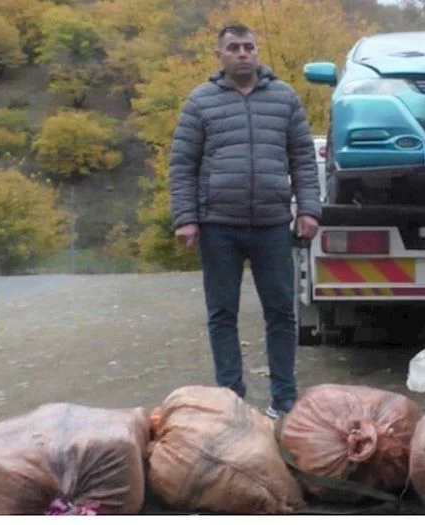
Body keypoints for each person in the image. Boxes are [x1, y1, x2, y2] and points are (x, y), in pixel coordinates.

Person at [169, 23, 321, 419]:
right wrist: (186, 218)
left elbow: (303, 158)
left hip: (272, 224)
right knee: (222, 313)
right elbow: (182, 164)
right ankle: (230, 400)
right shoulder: (200, 102)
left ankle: (284, 401)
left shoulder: (285, 99)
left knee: (282, 313)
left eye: (248, 47)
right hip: (218, 225)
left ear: (257, 52)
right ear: (219, 54)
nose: (242, 53)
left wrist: (308, 208)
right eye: (233, 47)